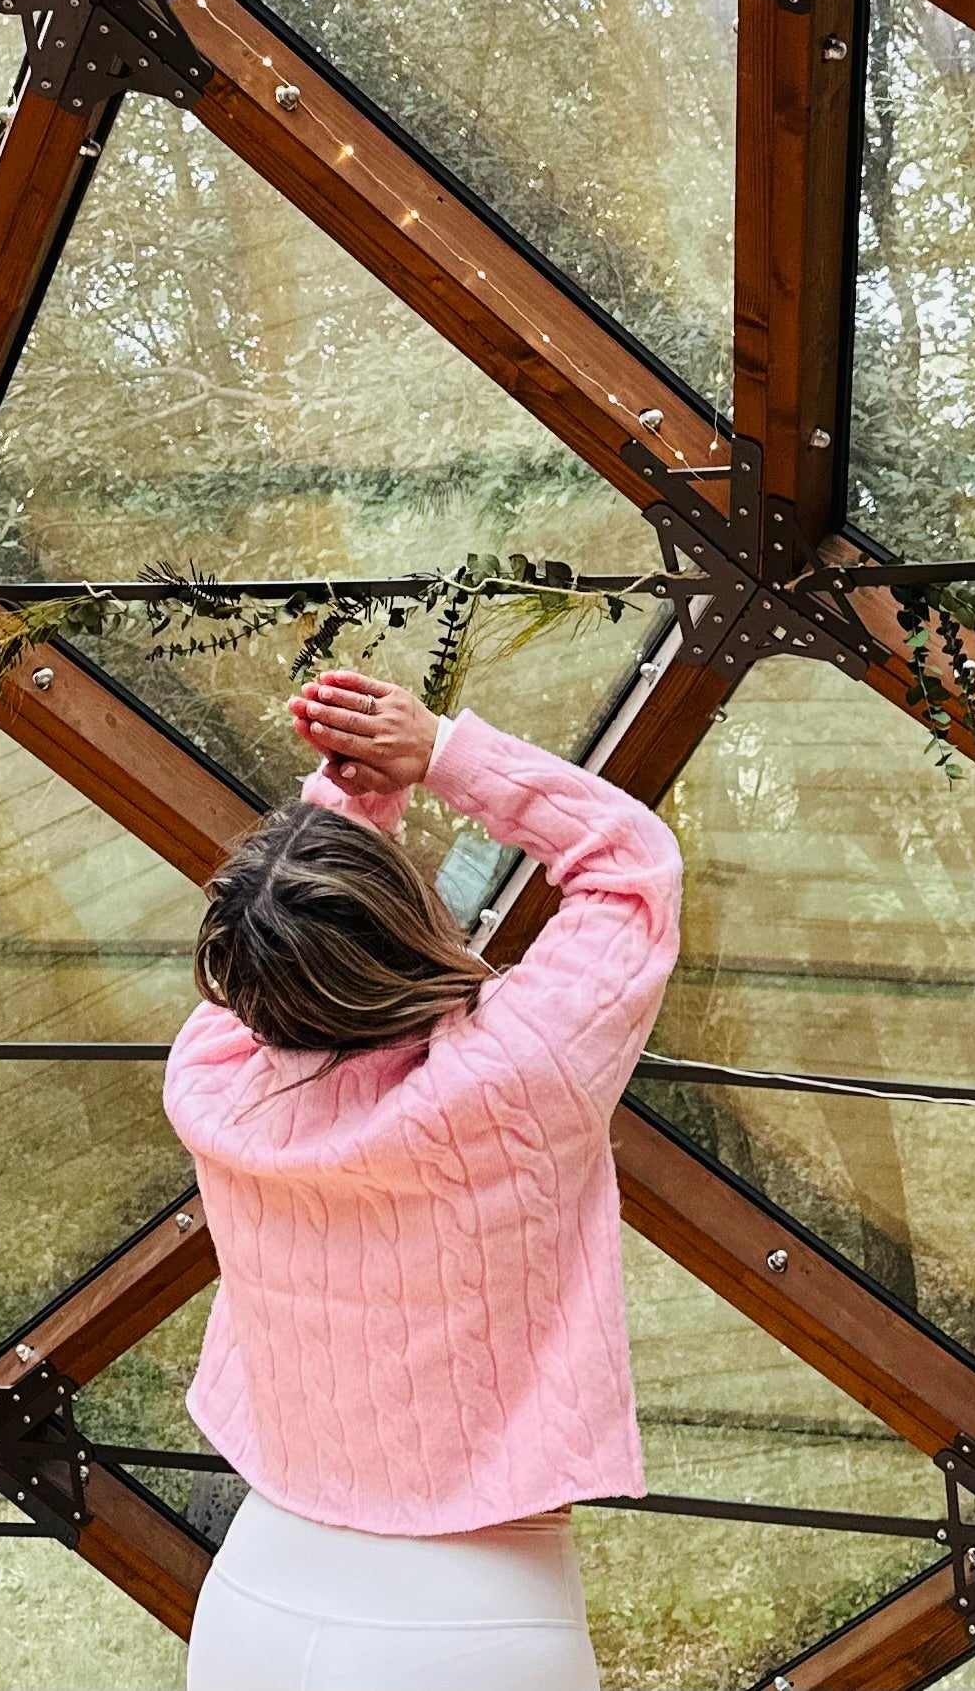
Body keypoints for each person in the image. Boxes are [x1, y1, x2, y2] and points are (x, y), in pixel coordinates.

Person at [164, 667, 683, 1691]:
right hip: (476, 1619)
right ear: (402, 921)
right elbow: (630, 866)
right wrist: (433, 751)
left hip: (255, 1605)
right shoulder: (517, 1072)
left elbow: (284, 950)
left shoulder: (213, 1082)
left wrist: (352, 800)